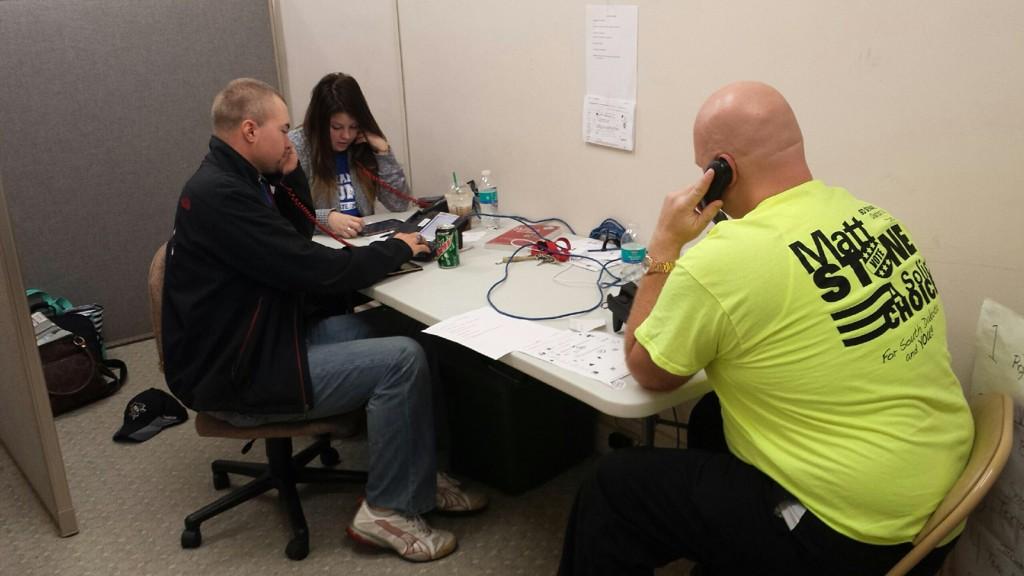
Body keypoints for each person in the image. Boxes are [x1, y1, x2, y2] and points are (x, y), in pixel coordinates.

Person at [559, 81, 973, 575]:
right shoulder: (873, 217)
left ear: (720, 171)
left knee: (613, 489)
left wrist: (665, 246)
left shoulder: (725, 259)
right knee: (712, 415)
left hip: (855, 535)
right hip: (943, 498)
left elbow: (648, 369)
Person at [162, 78, 485, 563]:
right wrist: (396, 248)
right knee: (401, 360)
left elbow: (290, 245)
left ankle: (418, 477)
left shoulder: (237, 178)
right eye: (283, 129)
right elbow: (311, 268)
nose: (290, 139)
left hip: (266, 338)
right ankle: (387, 511)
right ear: (250, 130)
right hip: (240, 373)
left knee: (414, 332)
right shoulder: (221, 195)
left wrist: (290, 178)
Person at [289, 72, 410, 240]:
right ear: (319, 123)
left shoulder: (362, 145)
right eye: (336, 127)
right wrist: (326, 219)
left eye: (353, 127)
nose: (346, 136)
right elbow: (286, 213)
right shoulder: (296, 147)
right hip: (322, 246)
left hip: (364, 241)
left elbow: (400, 204)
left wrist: (383, 153)